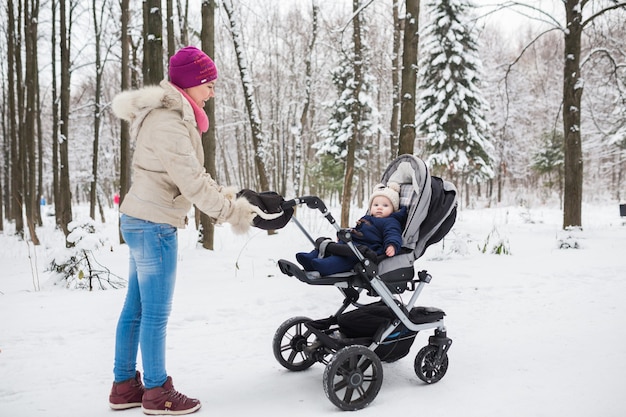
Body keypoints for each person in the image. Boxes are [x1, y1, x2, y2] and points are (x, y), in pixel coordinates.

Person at [108, 46, 277, 415]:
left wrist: (226, 197)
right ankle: (156, 392)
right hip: (154, 224)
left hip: (141, 218)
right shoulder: (170, 122)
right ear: (191, 83)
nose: (213, 91)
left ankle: (124, 386)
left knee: (136, 308)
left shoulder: (171, 116)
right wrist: (233, 213)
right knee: (154, 313)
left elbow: (194, 176)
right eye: (208, 84)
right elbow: (191, 183)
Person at [296, 182, 407, 276]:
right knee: (327, 244)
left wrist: (392, 245)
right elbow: (358, 230)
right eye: (376, 204)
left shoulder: (390, 222)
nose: (379, 207)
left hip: (365, 251)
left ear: (393, 209)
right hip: (351, 244)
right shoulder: (367, 218)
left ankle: (325, 266)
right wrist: (348, 232)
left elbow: (393, 234)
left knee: (344, 259)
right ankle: (310, 258)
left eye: (385, 205)